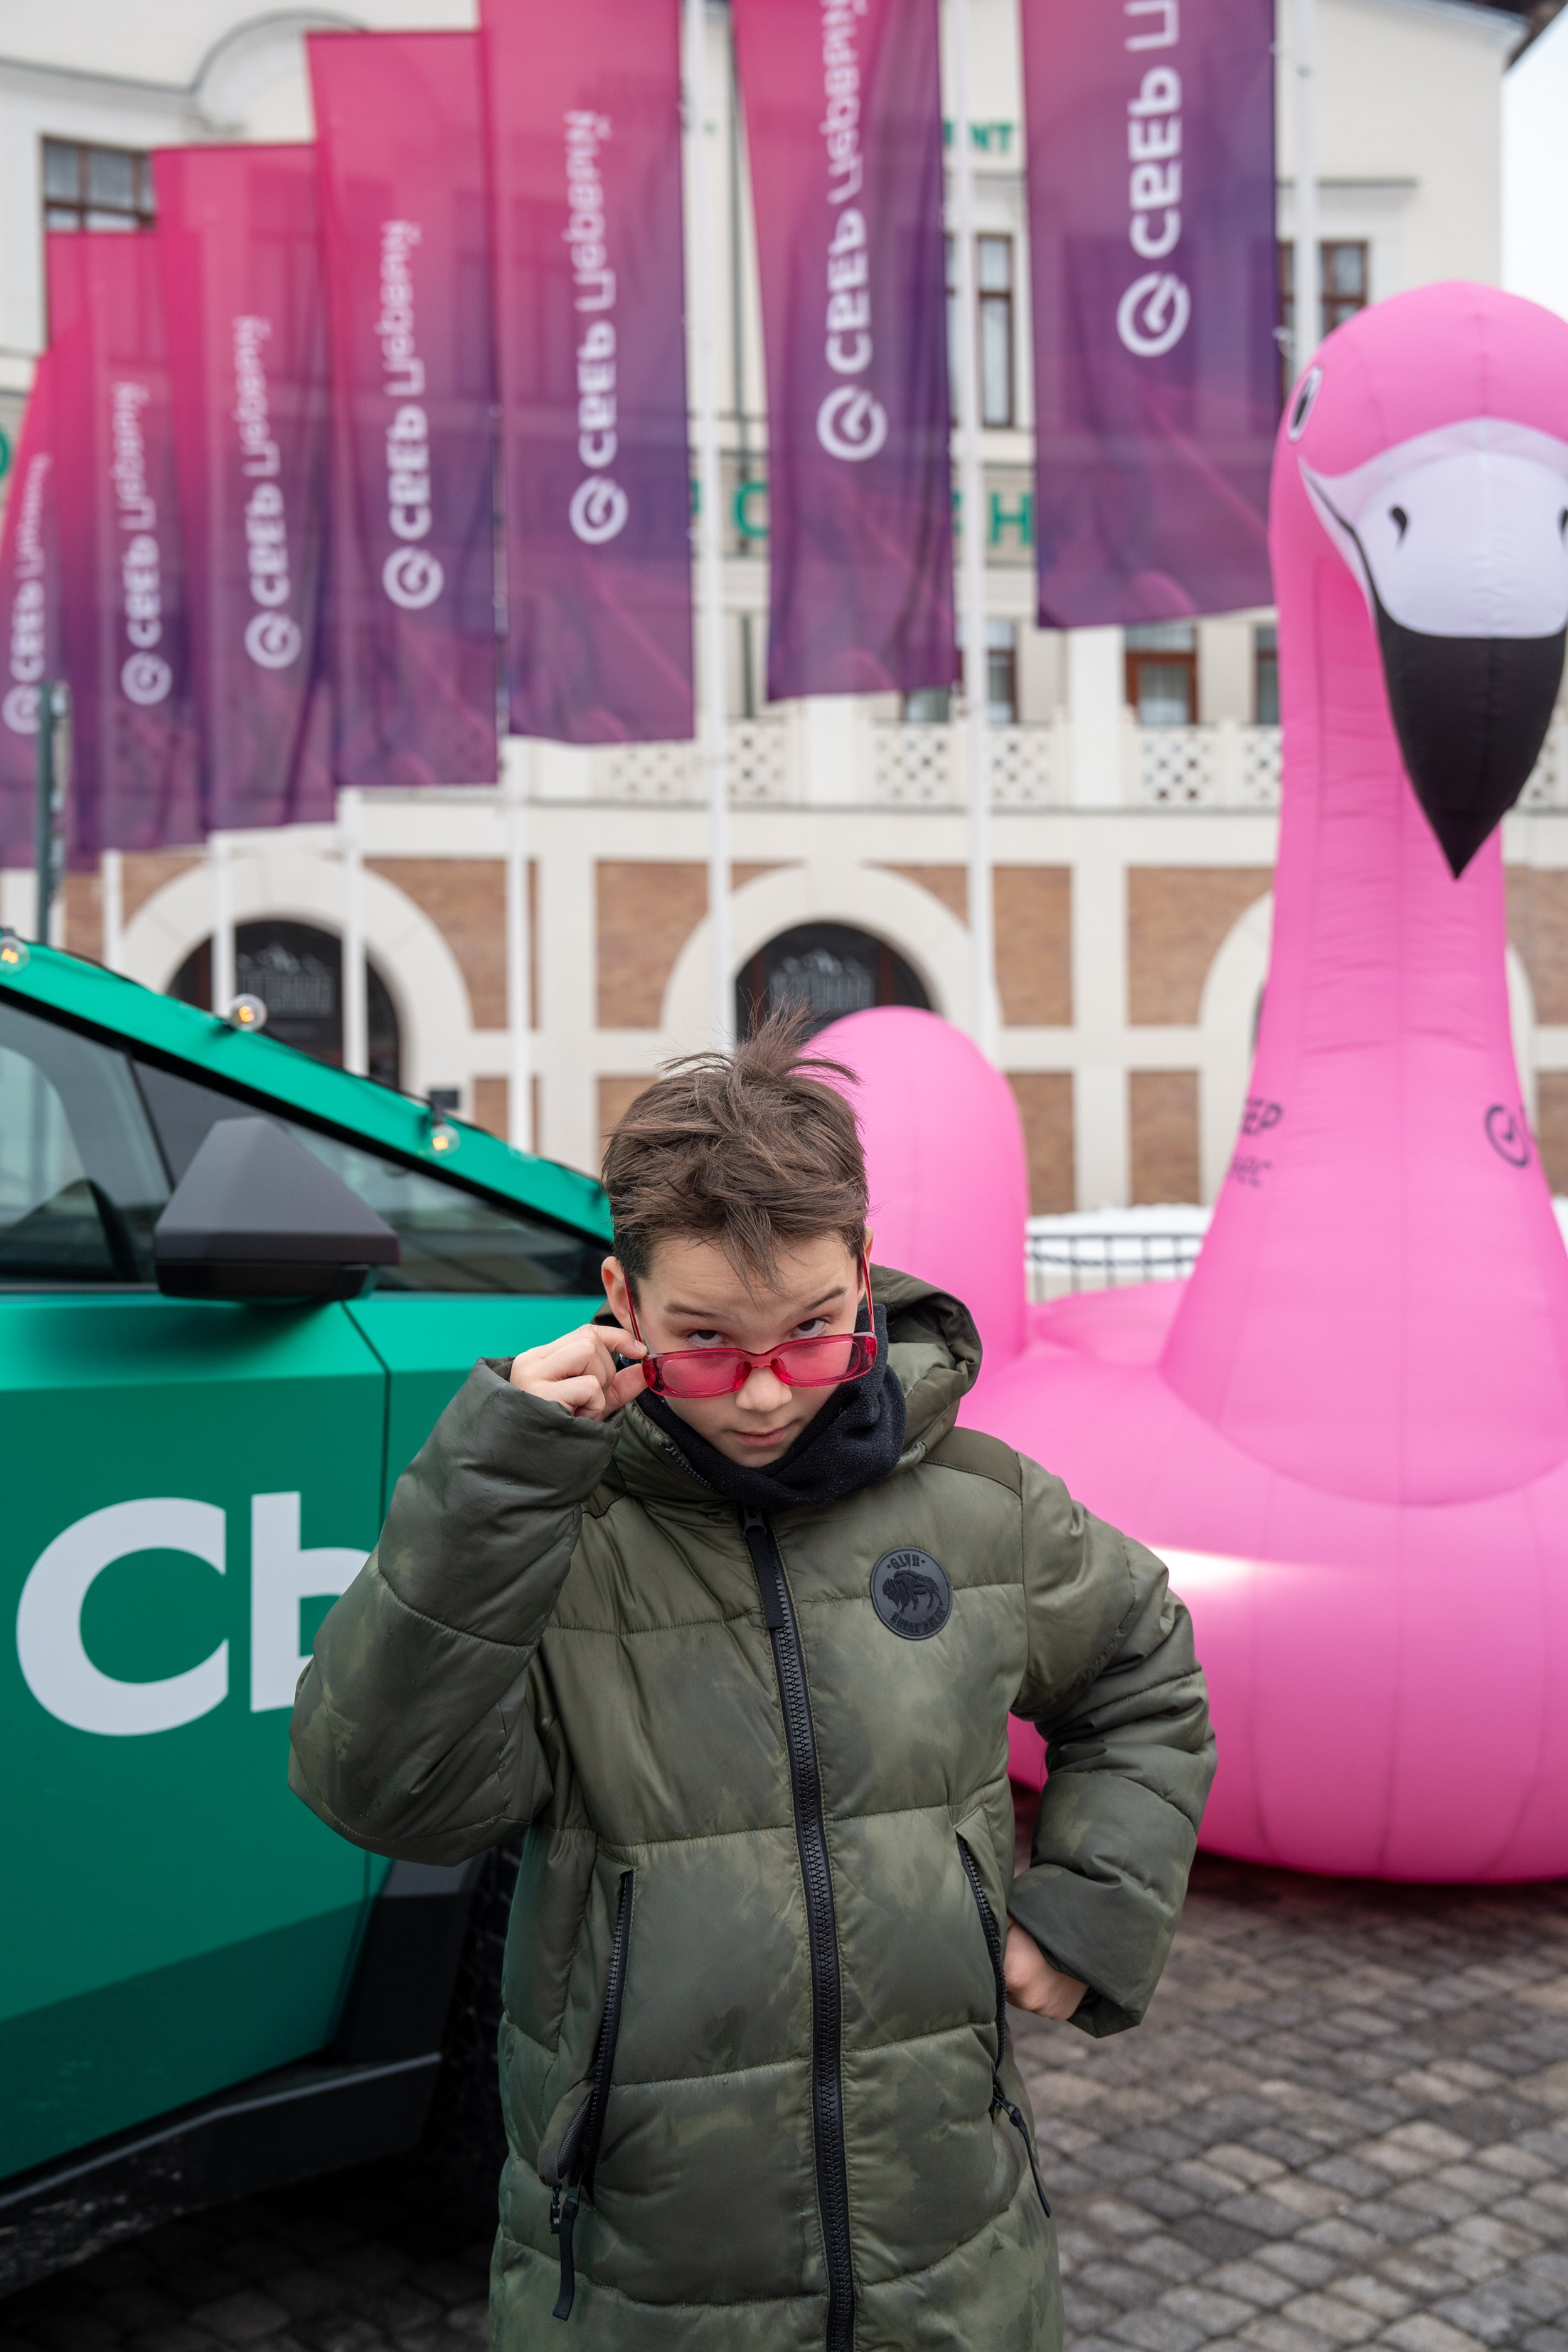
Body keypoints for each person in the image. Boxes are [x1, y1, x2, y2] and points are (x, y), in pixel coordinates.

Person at [289, 1016, 1215, 2351]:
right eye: (708, 1342)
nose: (768, 1395)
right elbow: (382, 1791)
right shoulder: (549, 1529)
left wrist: (1090, 1913)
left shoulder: (984, 1505)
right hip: (634, 2281)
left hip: (953, 2258)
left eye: (815, 1332)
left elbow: (1140, 1666)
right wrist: (493, 1483)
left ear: (863, 1273)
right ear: (621, 1301)